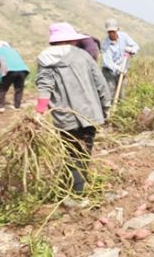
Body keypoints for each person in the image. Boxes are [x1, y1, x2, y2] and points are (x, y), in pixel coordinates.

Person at [35, 22, 111, 196]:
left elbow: (44, 86)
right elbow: (101, 84)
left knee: (70, 152)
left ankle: (70, 187)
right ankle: (77, 194)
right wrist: (106, 108)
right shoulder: (83, 56)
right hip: (89, 113)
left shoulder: (44, 57)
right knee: (83, 153)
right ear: (71, 40)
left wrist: (39, 112)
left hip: (64, 116)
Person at [0, 41, 29, 113]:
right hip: (24, 70)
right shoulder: (13, 50)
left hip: (10, 71)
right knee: (19, 89)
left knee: (2, 88)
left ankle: (1, 107)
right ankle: (17, 107)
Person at [100, 18, 140, 99]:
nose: (111, 34)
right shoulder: (105, 44)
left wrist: (132, 50)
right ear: (107, 32)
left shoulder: (124, 36)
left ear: (117, 30)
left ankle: (121, 109)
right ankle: (109, 110)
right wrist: (119, 69)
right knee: (110, 91)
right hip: (109, 71)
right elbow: (108, 62)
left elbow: (136, 46)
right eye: (109, 32)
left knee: (122, 93)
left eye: (113, 31)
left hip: (122, 69)